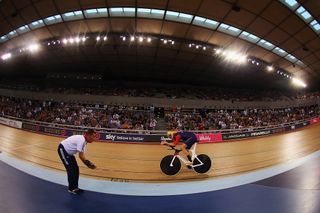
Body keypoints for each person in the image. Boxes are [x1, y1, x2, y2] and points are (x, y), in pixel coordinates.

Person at [57, 129, 97, 195]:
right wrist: (89, 164)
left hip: (68, 153)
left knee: (76, 169)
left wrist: (89, 163)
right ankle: (71, 189)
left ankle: (75, 188)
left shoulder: (84, 141)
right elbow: (81, 156)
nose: (94, 139)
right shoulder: (81, 141)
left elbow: (82, 155)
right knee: (71, 170)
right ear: (88, 135)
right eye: (93, 137)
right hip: (63, 150)